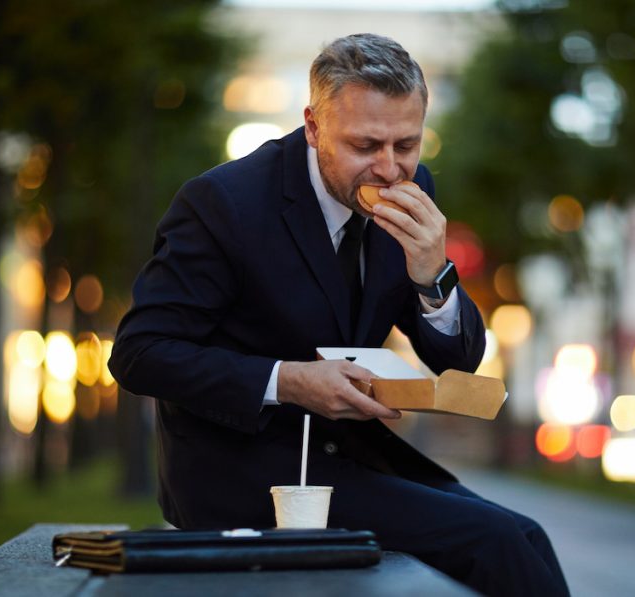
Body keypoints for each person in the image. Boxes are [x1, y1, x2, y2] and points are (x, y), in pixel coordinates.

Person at [109, 33, 569, 597]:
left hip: (353, 459)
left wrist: (432, 273)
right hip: (245, 472)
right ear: (313, 126)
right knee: (493, 542)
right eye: (365, 145)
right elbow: (140, 353)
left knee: (527, 537)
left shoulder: (413, 188)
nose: (389, 170)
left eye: (407, 144)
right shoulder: (224, 204)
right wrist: (290, 381)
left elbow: (456, 358)